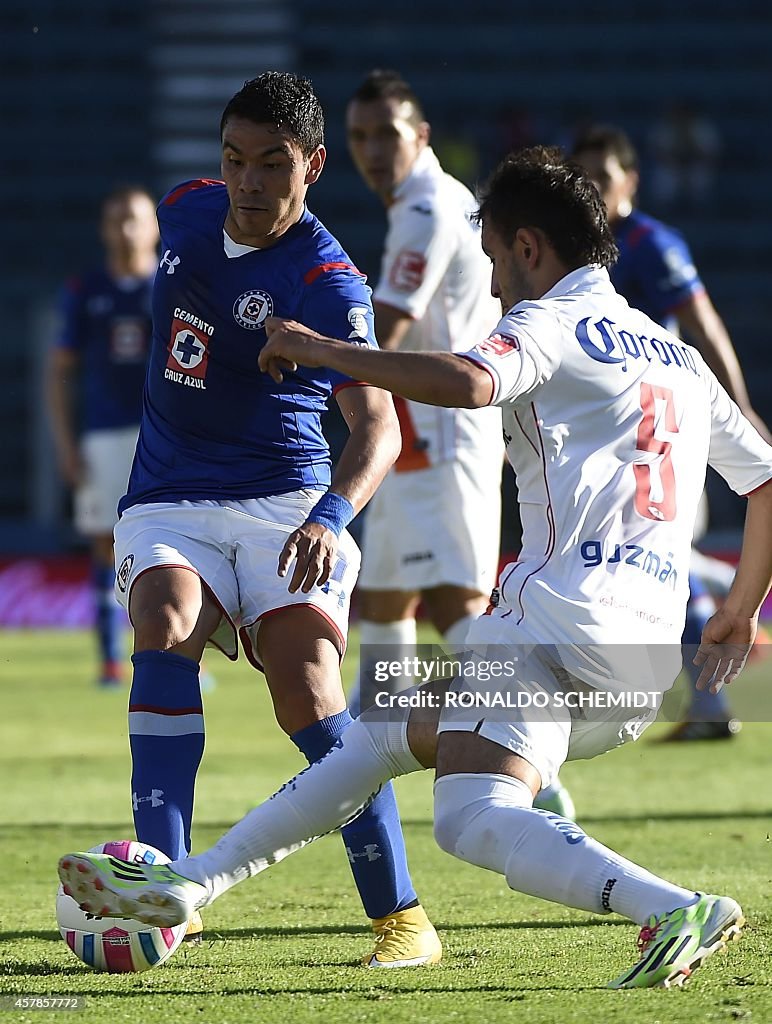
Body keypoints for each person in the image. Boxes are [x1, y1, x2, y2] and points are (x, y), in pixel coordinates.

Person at [60, 147, 772, 988]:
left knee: (431, 781)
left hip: (553, 622)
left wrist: (328, 351)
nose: (495, 285)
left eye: (496, 260)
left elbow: (471, 382)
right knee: (402, 750)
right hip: (643, 656)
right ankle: (193, 885)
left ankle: (668, 906)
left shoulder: (551, 323)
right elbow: (763, 477)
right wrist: (739, 611)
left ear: (530, 248)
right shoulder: (676, 357)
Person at [84, 72, 441, 966]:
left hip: (288, 504)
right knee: (163, 620)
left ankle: (401, 918)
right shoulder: (184, 211)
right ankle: (164, 888)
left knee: (310, 691)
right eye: (235, 160)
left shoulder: (328, 282)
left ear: (313, 166)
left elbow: (378, 428)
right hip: (169, 496)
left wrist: (330, 515)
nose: (248, 182)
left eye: (272, 165)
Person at [571, 124, 771, 742]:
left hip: (658, 434)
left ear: (630, 181)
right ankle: (709, 704)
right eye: (583, 181)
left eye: (603, 179)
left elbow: (702, 323)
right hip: (611, 439)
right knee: (668, 567)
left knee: (668, 563)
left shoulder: (650, 243)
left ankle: (708, 699)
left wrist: (736, 411)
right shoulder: (579, 251)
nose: (594, 193)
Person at [344, 70, 504, 713]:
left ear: (422, 135)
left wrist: (305, 350)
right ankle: (355, 760)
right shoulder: (435, 200)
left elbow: (388, 327)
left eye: (388, 133)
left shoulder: (425, 207)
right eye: (360, 136)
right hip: (416, 433)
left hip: (444, 434)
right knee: (385, 595)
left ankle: (536, 768)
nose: (373, 151)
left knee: (453, 601)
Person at [48, 186, 159, 687]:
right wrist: (66, 445)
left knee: (181, 541)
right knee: (104, 545)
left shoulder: (174, 285)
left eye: (135, 219)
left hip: (167, 434)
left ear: (154, 227)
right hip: (105, 434)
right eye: (117, 219)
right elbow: (58, 371)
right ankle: (110, 658)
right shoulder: (85, 289)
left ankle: (181, 657)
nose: (126, 230)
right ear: (104, 229)